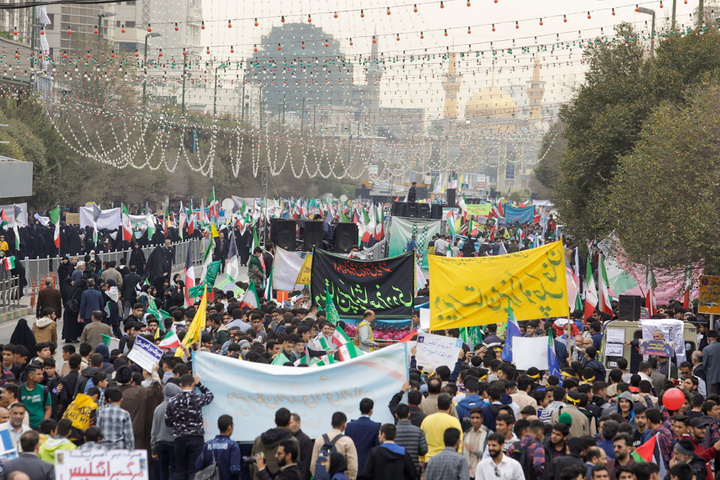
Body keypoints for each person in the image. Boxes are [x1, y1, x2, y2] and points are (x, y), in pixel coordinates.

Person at [164, 373, 214, 480]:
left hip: (179, 438)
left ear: (180, 384)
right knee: (194, 471)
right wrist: (200, 384)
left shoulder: (172, 401)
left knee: (180, 471)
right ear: (193, 384)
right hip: (196, 438)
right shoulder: (197, 398)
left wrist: (178, 424)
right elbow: (210, 395)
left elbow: (167, 421)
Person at [251, 408, 301, 480]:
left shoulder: (259, 439)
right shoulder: (292, 441)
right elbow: (295, 465)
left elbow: (252, 465)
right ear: (289, 422)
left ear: (275, 421)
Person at [310, 412, 359, 480]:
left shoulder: (319, 440)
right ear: (344, 425)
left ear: (331, 423)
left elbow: (313, 464)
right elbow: (352, 466)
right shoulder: (347, 441)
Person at [152, 382, 183, 480]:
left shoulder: (158, 409)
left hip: (161, 443)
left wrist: (153, 447)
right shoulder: (179, 407)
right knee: (176, 470)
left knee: (162, 470)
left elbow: (154, 430)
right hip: (175, 443)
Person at [196, 414, 242, 480]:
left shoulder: (208, 444)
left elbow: (198, 465)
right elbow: (234, 469)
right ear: (230, 427)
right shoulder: (233, 445)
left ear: (218, 427)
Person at [421, 393, 463, 460]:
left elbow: (421, 441)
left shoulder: (426, 420)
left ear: (438, 405)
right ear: (450, 406)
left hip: (429, 458)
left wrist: (421, 458)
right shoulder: (453, 421)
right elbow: (459, 442)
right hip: (448, 458)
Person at [344, 398, 381, 474]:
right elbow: (377, 449)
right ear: (371, 410)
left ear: (359, 409)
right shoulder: (376, 426)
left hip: (352, 466)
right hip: (369, 467)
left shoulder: (349, 426)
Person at [393, 403, 427, 477]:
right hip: (414, 469)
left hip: (397, 470)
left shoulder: (392, 432)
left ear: (396, 415)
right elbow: (424, 450)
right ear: (409, 414)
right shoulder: (418, 431)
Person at [20, 364, 51, 429]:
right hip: (24, 426)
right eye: (38, 374)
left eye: (41, 374)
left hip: (39, 426)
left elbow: (48, 408)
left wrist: (43, 424)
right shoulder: (19, 390)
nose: (41, 376)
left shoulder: (43, 390)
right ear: (31, 376)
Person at [703, 330, 720, 396]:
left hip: (712, 377)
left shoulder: (707, 349)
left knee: (712, 397)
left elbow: (705, 364)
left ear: (709, 339)